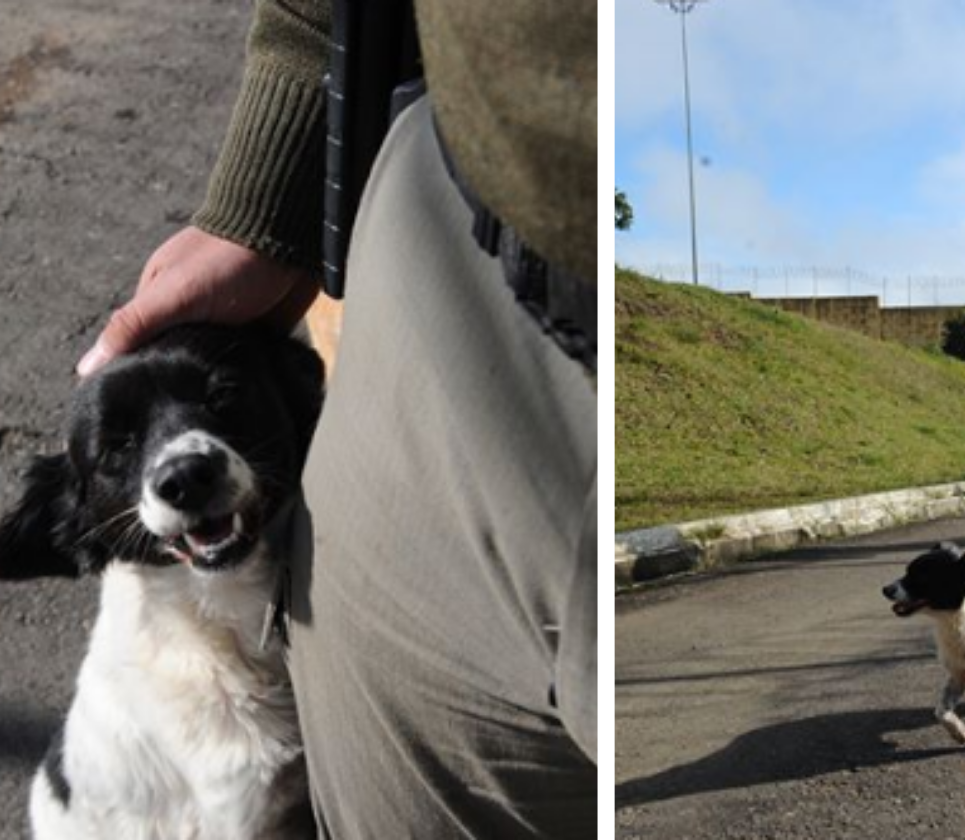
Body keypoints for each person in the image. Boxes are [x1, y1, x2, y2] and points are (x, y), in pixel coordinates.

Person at [74, 1, 597, 837]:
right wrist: (268, 187)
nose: (178, 454)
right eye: (125, 445)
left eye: (219, 401)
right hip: (455, 209)